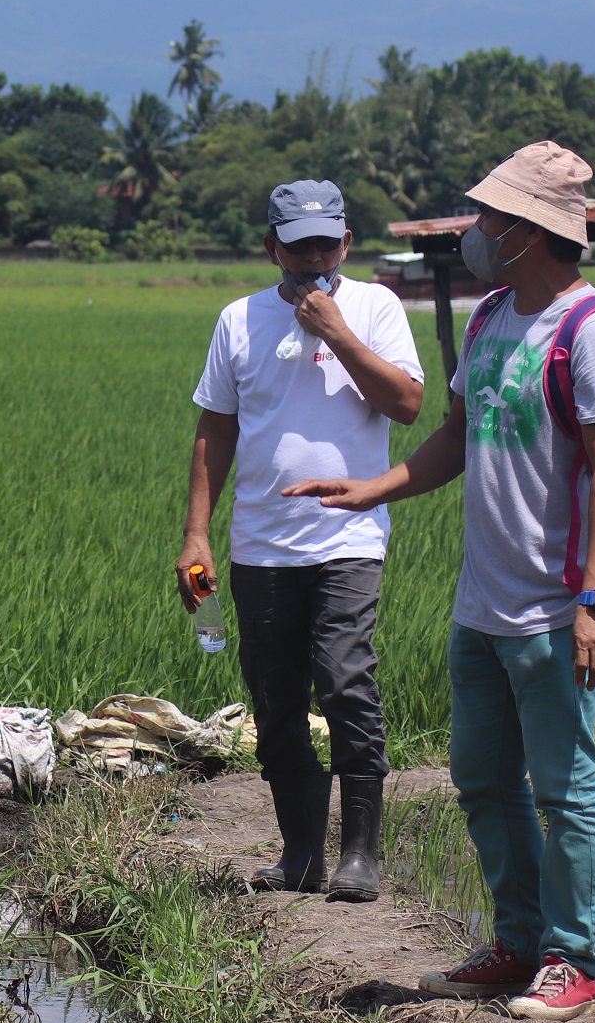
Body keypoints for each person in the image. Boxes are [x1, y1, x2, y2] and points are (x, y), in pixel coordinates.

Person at [284, 142, 595, 1019]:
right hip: (481, 606)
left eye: (491, 218)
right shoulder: (488, 319)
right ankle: (517, 942)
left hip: (557, 609)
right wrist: (379, 485)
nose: (478, 231)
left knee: (565, 786)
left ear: (530, 231)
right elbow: (455, 433)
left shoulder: (590, 331)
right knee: (481, 777)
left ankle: (574, 959)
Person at [177, 179, 425, 900]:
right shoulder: (239, 319)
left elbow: (407, 405)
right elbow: (215, 427)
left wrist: (337, 333)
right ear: (271, 247)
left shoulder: (375, 307)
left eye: (327, 243)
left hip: (349, 537)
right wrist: (197, 532)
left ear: (347, 244)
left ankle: (360, 854)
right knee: (274, 700)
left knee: (347, 679)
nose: (313, 257)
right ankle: (300, 850)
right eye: (298, 245)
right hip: (260, 544)